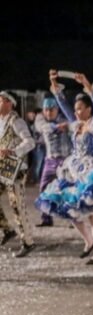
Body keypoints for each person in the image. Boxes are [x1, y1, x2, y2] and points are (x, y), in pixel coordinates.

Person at [36, 70, 93, 264]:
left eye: (80, 109)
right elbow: (62, 104)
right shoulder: (76, 124)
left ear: (88, 110)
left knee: (92, 212)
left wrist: (85, 82)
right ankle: (89, 242)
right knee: (69, 208)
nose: (76, 112)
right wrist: (53, 82)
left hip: (92, 171)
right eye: (75, 109)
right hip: (74, 169)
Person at [0, 90, 36, 257]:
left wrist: (14, 151)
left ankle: (27, 242)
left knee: (17, 206)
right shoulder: (0, 121)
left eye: (2, 100)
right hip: (3, 167)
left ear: (10, 103)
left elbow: (30, 142)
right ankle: (7, 229)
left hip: (15, 169)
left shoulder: (17, 121)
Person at [34, 96, 72, 228]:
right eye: (46, 110)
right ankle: (46, 218)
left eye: (52, 109)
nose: (49, 112)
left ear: (57, 109)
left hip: (65, 160)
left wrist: (68, 126)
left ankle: (73, 218)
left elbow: (73, 125)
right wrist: (58, 127)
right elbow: (44, 128)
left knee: (68, 189)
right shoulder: (41, 119)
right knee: (44, 188)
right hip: (50, 160)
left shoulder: (64, 119)